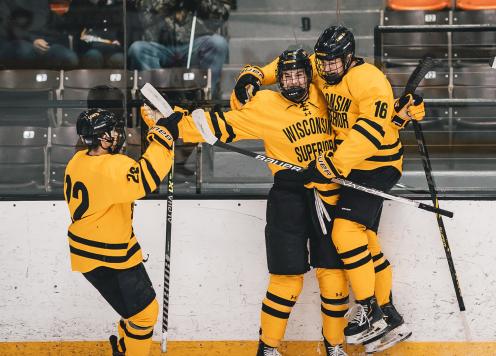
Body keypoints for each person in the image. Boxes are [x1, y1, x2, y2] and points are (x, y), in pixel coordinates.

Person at [142, 49, 354, 356]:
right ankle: (267, 349)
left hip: (330, 191)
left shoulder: (326, 91)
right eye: (286, 76)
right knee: (287, 278)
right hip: (289, 195)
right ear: (280, 80)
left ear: (310, 75)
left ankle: (335, 346)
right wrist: (173, 123)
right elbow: (217, 125)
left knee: (333, 274)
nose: (293, 81)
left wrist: (255, 72)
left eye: (299, 75)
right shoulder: (264, 105)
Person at [231, 26, 425, 352]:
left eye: (334, 62)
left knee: (346, 234)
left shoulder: (369, 79)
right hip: (349, 170)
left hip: (375, 166)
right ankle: (386, 310)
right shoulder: (321, 67)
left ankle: (369, 311)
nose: (327, 68)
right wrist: (253, 75)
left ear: (349, 57)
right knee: (366, 242)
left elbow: (371, 131)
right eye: (322, 62)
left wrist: (333, 163)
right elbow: (289, 65)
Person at [64, 107, 183, 356]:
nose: (119, 135)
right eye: (114, 132)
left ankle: (123, 348)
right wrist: (164, 137)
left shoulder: (77, 160)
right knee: (145, 315)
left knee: (134, 312)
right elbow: (146, 178)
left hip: (87, 256)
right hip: (111, 257)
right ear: (104, 138)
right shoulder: (113, 166)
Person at [128, 0, 229, 95]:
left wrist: (201, 2)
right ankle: (157, 101)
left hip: (195, 43)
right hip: (160, 45)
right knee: (138, 49)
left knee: (218, 43)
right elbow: (143, 11)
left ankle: (205, 99)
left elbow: (222, 14)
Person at [0, 0, 78, 69]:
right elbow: (7, 25)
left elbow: (51, 19)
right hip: (17, 41)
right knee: (24, 51)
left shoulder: (41, 2)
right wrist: (33, 40)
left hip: (45, 42)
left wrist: (73, 22)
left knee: (69, 57)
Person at [65, 0, 124, 69]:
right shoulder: (80, 4)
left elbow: (126, 33)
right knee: (93, 56)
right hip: (89, 48)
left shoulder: (121, 4)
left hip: (114, 49)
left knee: (119, 59)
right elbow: (72, 31)